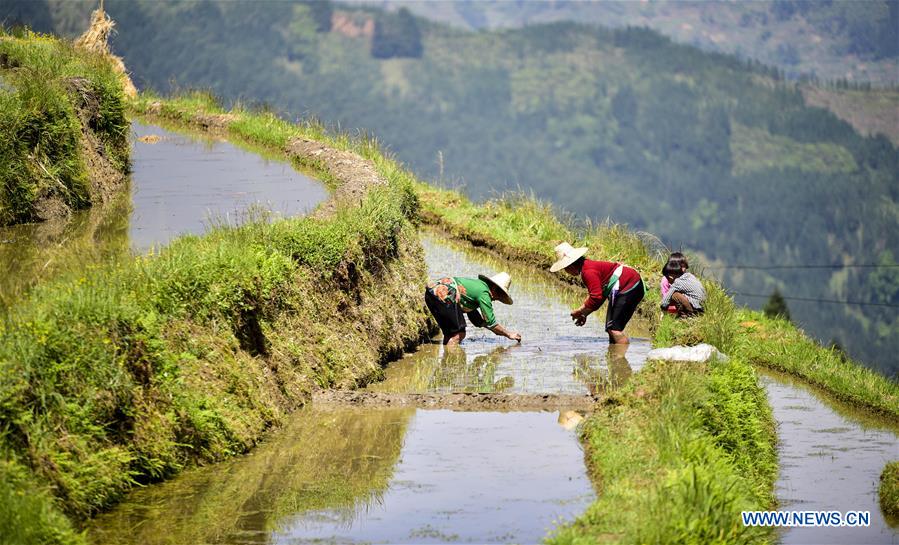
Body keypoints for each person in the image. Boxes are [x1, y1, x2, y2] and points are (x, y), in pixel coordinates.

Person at [550, 242, 645, 344]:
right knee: (610, 328)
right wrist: (584, 314)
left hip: (629, 285)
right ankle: (613, 356)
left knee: (614, 329)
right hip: (628, 284)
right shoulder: (587, 266)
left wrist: (580, 310)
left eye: (564, 269)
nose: (566, 271)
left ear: (570, 267)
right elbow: (600, 295)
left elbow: (596, 297)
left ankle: (620, 358)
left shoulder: (588, 272)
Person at [424, 272, 521, 345]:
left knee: (450, 333)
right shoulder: (484, 293)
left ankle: (447, 361)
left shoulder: (477, 288)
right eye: (499, 295)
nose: (496, 299)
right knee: (459, 334)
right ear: (495, 288)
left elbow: (476, 319)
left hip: (430, 294)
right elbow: (491, 323)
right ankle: (451, 364)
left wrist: (486, 325)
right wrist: (509, 334)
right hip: (445, 295)